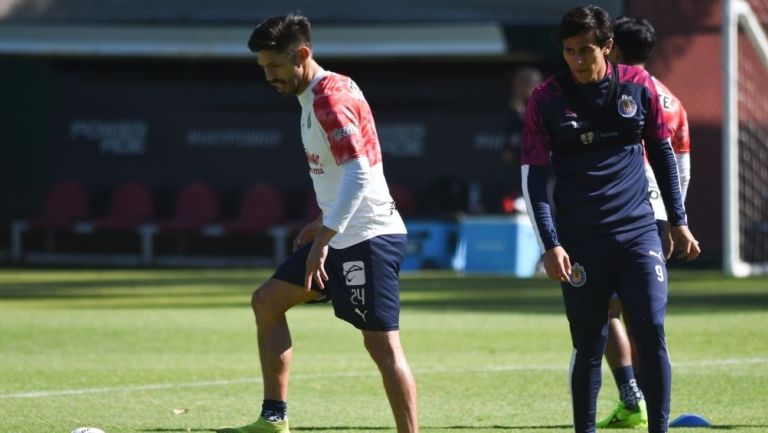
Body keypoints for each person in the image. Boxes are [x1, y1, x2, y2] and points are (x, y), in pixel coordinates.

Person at [216, 14, 419, 433]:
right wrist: (322, 220)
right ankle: (274, 420)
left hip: (367, 239)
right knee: (267, 301)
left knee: (382, 347)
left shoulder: (329, 99)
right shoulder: (318, 92)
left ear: (302, 54)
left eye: (274, 65)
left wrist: (325, 235)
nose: (268, 75)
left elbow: (361, 171)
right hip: (340, 233)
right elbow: (349, 169)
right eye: (263, 67)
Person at [520, 5, 700, 433]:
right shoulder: (546, 98)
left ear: (608, 47)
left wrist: (678, 219)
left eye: (586, 50)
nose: (578, 60)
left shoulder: (638, 87)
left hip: (639, 232)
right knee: (589, 343)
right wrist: (550, 243)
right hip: (580, 239)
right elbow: (534, 178)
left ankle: (658, 427)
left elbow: (662, 153)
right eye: (569, 52)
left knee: (651, 327)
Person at [597, 16, 693, 429]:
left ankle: (631, 395)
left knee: (603, 310)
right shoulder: (672, 100)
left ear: (612, 47)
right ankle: (651, 409)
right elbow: (681, 166)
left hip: (616, 210)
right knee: (645, 317)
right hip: (655, 215)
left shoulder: (612, 92)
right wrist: (675, 219)